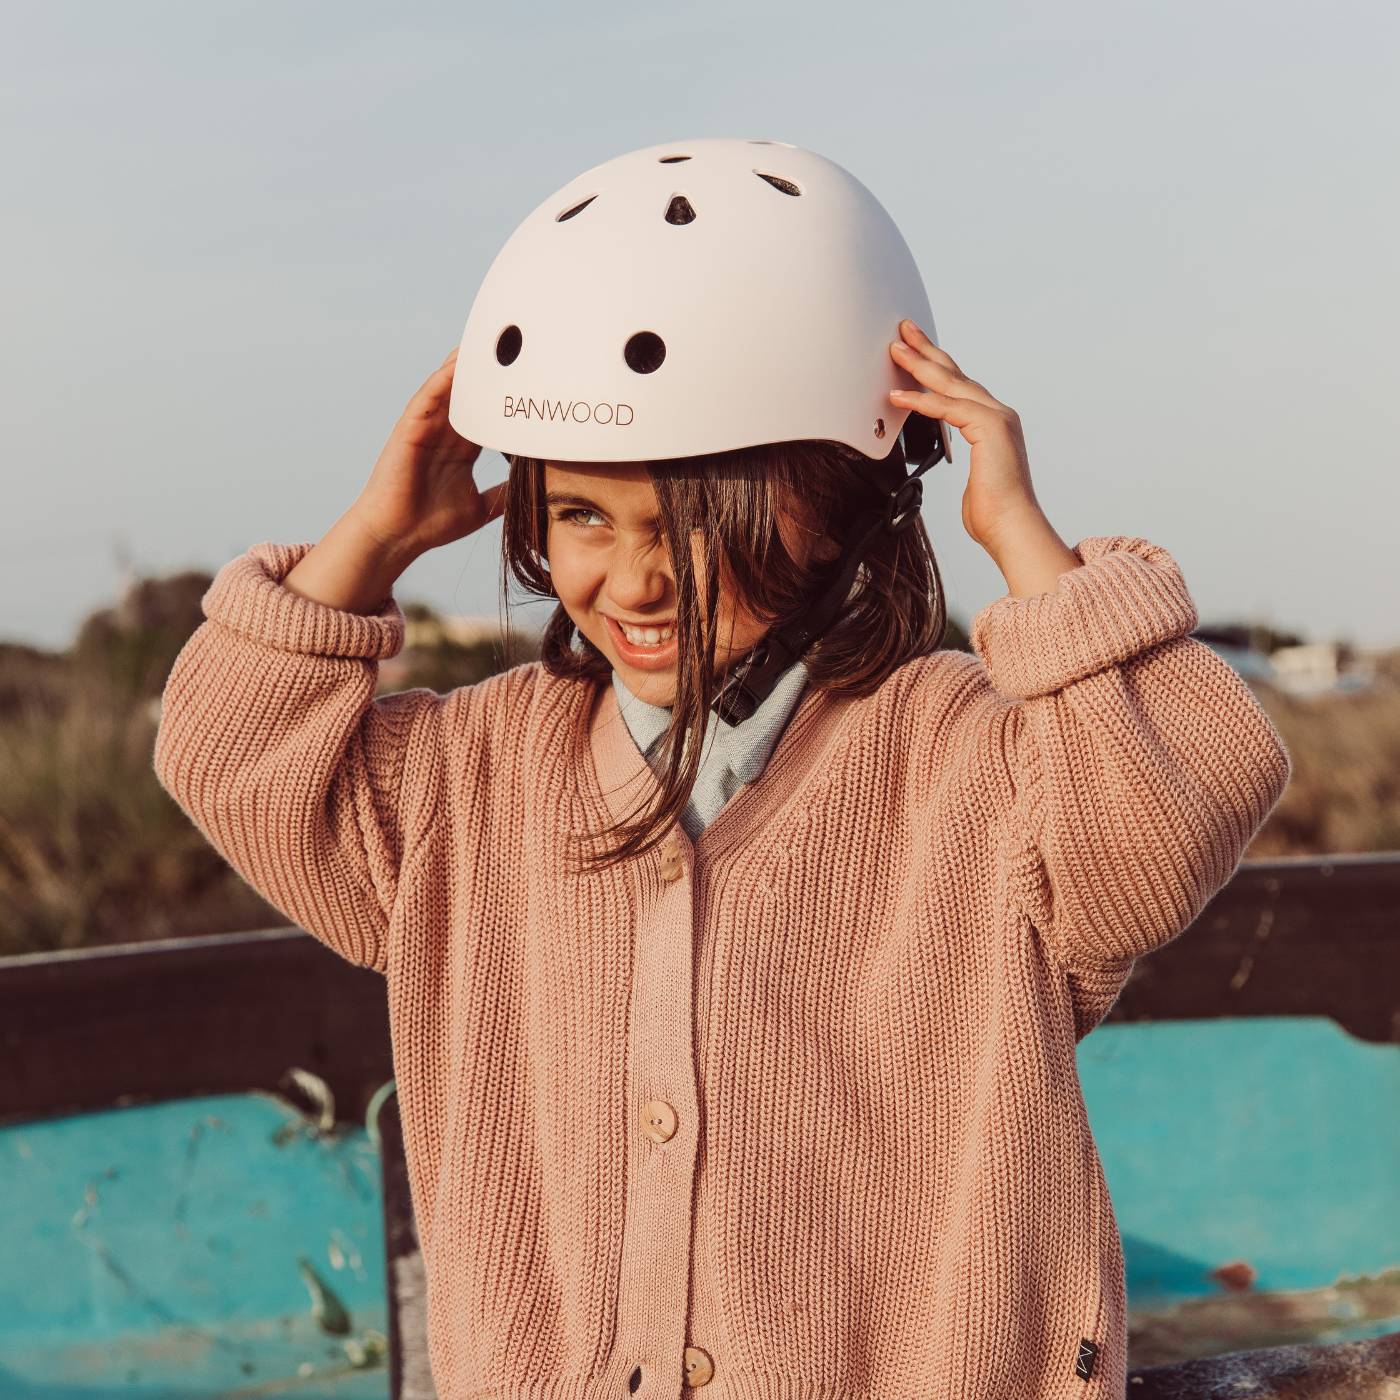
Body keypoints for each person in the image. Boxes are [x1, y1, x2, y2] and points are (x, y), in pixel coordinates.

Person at [152, 138, 1292, 1400]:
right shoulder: (463, 779)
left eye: (694, 526)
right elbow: (228, 749)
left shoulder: (975, 761)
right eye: (579, 514)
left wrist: (1019, 535)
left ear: (845, 500)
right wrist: (373, 535)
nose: (635, 582)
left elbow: (1180, 798)